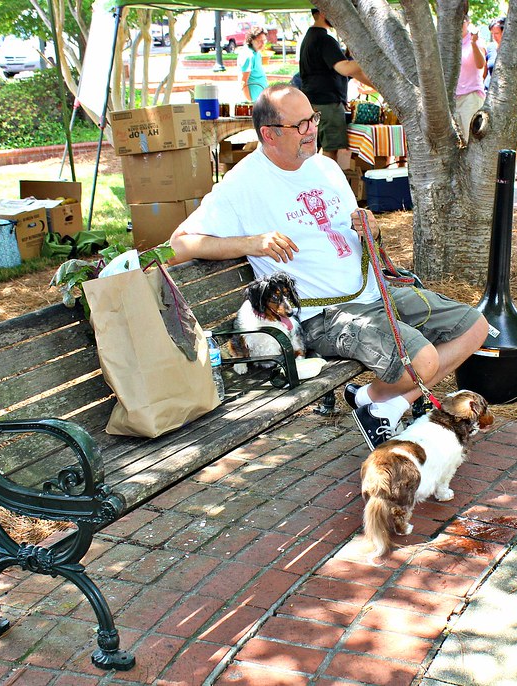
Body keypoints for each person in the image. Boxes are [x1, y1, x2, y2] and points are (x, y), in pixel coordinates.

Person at [170, 85, 488, 450]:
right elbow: (179, 244)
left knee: (474, 326)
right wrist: (250, 243)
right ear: (269, 134)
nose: (311, 130)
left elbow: (349, 232)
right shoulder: (242, 184)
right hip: (322, 314)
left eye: (313, 118)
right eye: (300, 124)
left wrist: (372, 230)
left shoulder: (325, 167)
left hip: (372, 292)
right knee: (422, 359)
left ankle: (378, 404)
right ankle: (380, 403)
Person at [299, 8, 373, 159]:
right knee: (331, 149)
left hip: (311, 101)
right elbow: (345, 68)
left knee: (314, 148)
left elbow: (351, 70)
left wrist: (377, 86)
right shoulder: (324, 39)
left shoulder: (309, 38)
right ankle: (327, 182)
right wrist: (371, 58)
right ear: (322, 12)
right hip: (327, 103)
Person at [455, 14, 486, 143]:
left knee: (470, 137)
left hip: (471, 95)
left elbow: (481, 64)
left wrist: (473, 43)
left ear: (468, 22)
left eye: (462, 21)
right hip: (453, 98)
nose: (459, 24)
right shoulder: (450, 42)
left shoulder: (476, 40)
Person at [238, 27, 269, 103]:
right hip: (253, 101)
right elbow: (243, 81)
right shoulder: (248, 55)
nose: (262, 44)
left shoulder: (257, 53)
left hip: (261, 99)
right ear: (251, 40)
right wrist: (249, 101)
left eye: (264, 41)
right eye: (259, 41)